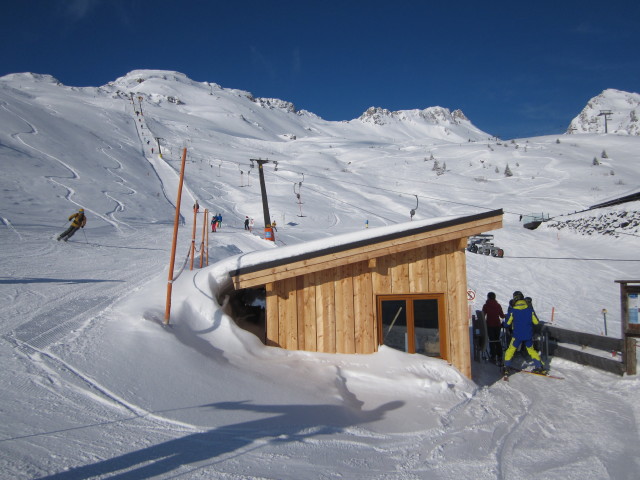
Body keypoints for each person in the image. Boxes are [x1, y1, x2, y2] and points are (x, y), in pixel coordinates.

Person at [503, 291, 546, 374]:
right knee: (531, 350)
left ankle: (506, 367)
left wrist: (504, 323)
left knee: (510, 350)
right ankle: (539, 366)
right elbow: (536, 322)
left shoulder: (513, 311)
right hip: (528, 335)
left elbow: (507, 324)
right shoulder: (530, 310)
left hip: (517, 336)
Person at [482, 292, 505, 365]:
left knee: (491, 340)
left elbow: (483, 315)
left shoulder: (486, 305)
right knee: (497, 339)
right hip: (497, 325)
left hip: (489, 325)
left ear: (488, 297)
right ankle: (500, 355)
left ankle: (493, 356)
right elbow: (502, 316)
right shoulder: (498, 305)